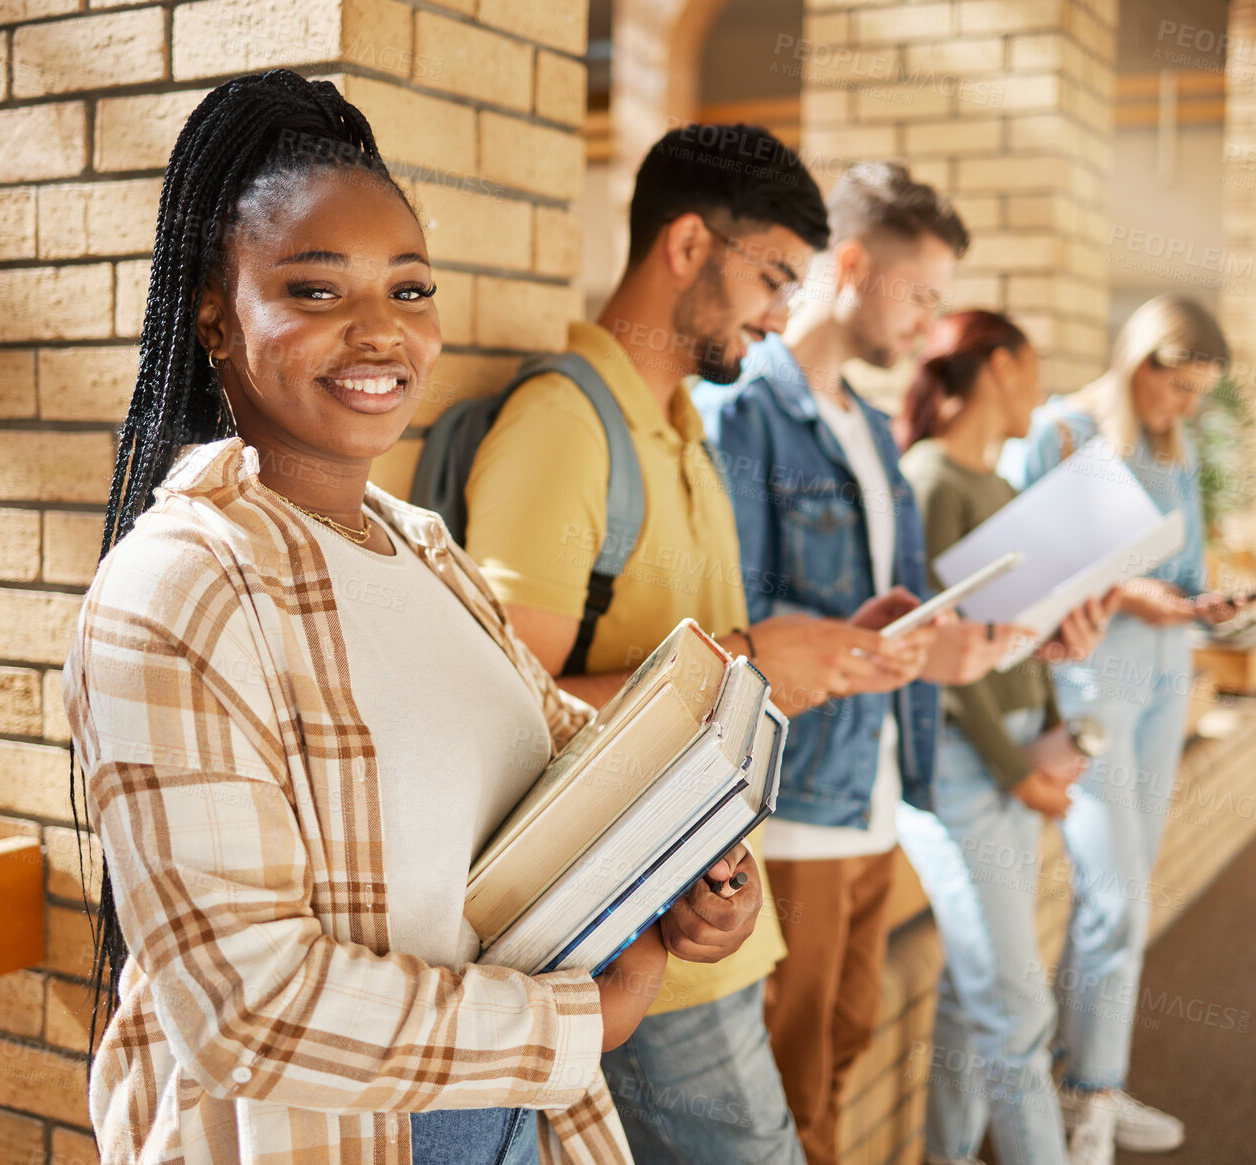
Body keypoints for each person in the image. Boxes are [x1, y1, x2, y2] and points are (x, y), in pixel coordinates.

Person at [62, 70, 677, 1165]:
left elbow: (562, 778)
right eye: (313, 291)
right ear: (215, 316)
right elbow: (249, 1004)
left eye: (408, 289)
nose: (379, 333)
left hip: (519, 1120)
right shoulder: (177, 591)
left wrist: (691, 867)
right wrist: (578, 1025)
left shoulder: (421, 546)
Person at [461, 124, 936, 1164]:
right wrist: (749, 654)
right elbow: (496, 715)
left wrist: (816, 651)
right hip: (630, 942)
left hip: (699, 913)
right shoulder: (565, 428)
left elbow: (711, 666)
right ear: (685, 246)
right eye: (772, 275)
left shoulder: (682, 428)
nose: (782, 310)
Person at [692, 164, 1030, 1165]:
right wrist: (881, 647)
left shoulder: (873, 431)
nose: (931, 322)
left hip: (875, 789)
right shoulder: (749, 408)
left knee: (838, 1047)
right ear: (849, 266)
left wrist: (928, 643)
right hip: (793, 803)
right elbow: (733, 614)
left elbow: (871, 611)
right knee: (790, 1086)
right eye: (921, 292)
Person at [1000, 294, 1243, 1165]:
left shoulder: (1174, 454)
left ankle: (1086, 1081)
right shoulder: (1062, 435)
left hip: (1163, 679)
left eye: (1199, 394)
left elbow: (1180, 570)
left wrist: (1196, 600)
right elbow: (1012, 576)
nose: (1187, 407)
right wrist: (1128, 593)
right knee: (1114, 894)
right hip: (1091, 683)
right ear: (1141, 363)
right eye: (1179, 387)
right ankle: (1088, 1094)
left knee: (1125, 891)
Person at [893, 311, 1116, 1165]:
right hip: (968, 763)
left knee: (971, 993)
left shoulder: (997, 485)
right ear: (995, 366)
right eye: (1034, 368)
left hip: (1018, 749)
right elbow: (943, 665)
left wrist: (1058, 721)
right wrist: (1013, 769)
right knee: (1017, 1007)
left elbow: (1011, 640)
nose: (1040, 388)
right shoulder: (930, 479)